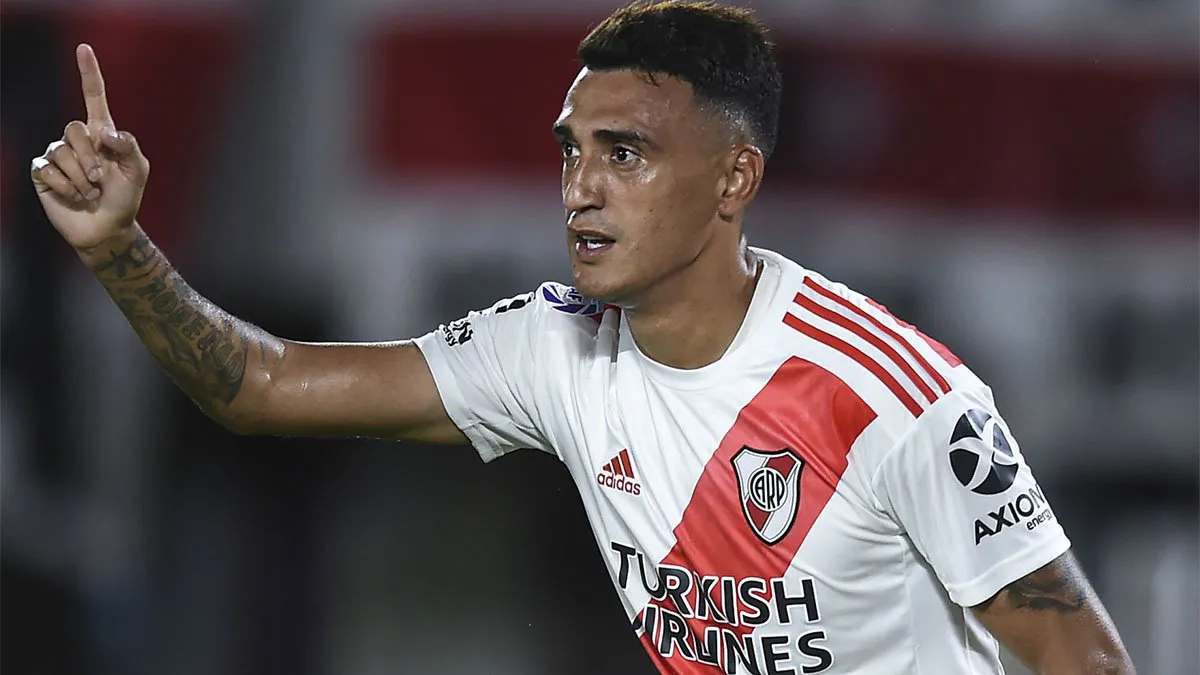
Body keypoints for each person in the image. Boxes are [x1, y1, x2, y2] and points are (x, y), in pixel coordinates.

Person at [32, 2, 1135, 673]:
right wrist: (120, 248)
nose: (581, 189)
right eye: (572, 151)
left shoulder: (893, 394)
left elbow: (1080, 653)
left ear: (735, 179)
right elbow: (259, 387)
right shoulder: (552, 349)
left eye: (626, 154)